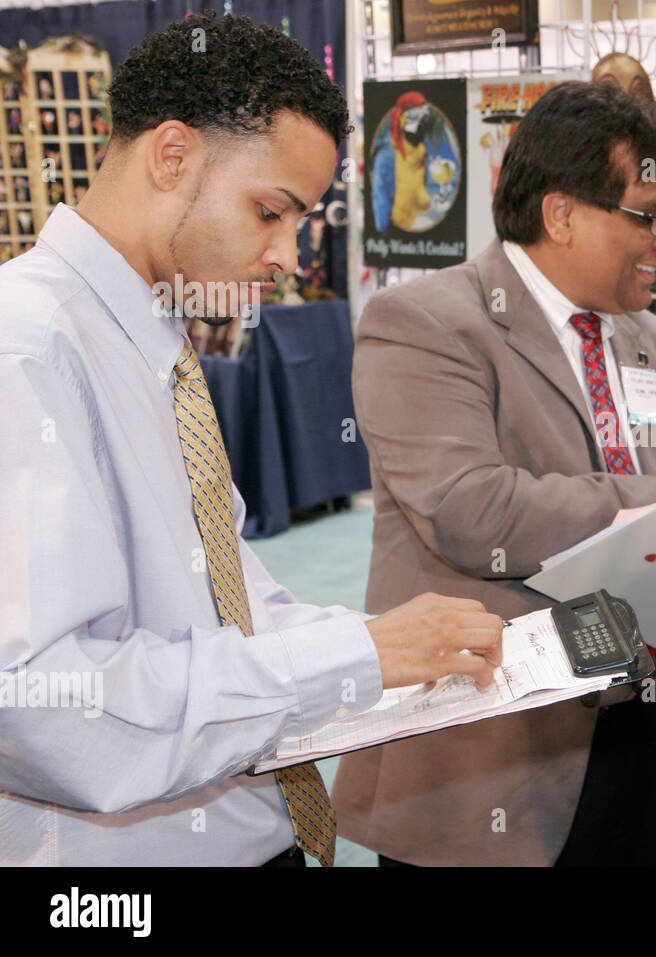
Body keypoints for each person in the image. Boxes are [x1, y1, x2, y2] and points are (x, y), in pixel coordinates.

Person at [0, 13, 503, 867]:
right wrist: (352, 657)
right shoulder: (27, 347)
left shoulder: (149, 335)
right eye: (271, 211)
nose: (286, 254)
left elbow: (227, 597)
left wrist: (386, 643)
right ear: (172, 156)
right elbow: (42, 702)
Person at [332, 81, 656, 867]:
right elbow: (468, 509)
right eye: (650, 215)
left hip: (644, 744)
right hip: (494, 761)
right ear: (562, 213)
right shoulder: (429, 324)